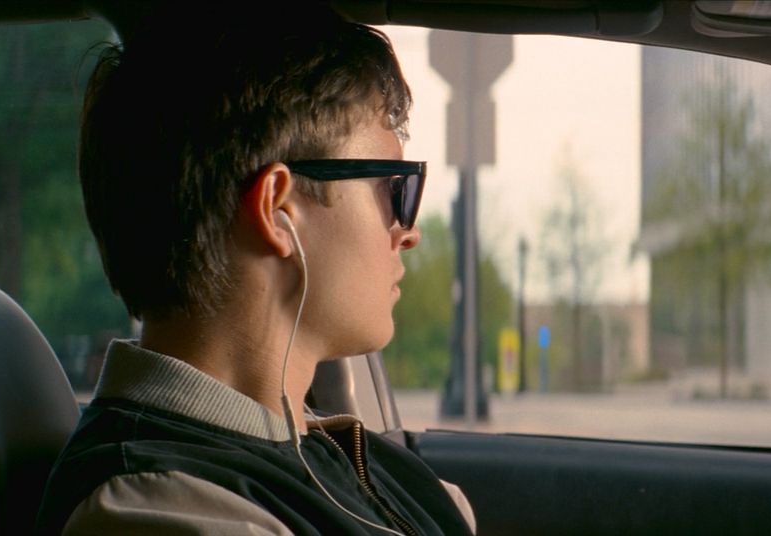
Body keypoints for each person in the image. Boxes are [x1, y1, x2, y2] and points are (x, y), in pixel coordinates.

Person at [35, 4, 475, 535]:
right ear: (278, 210)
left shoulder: (340, 455)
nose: (409, 231)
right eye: (395, 189)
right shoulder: (161, 507)